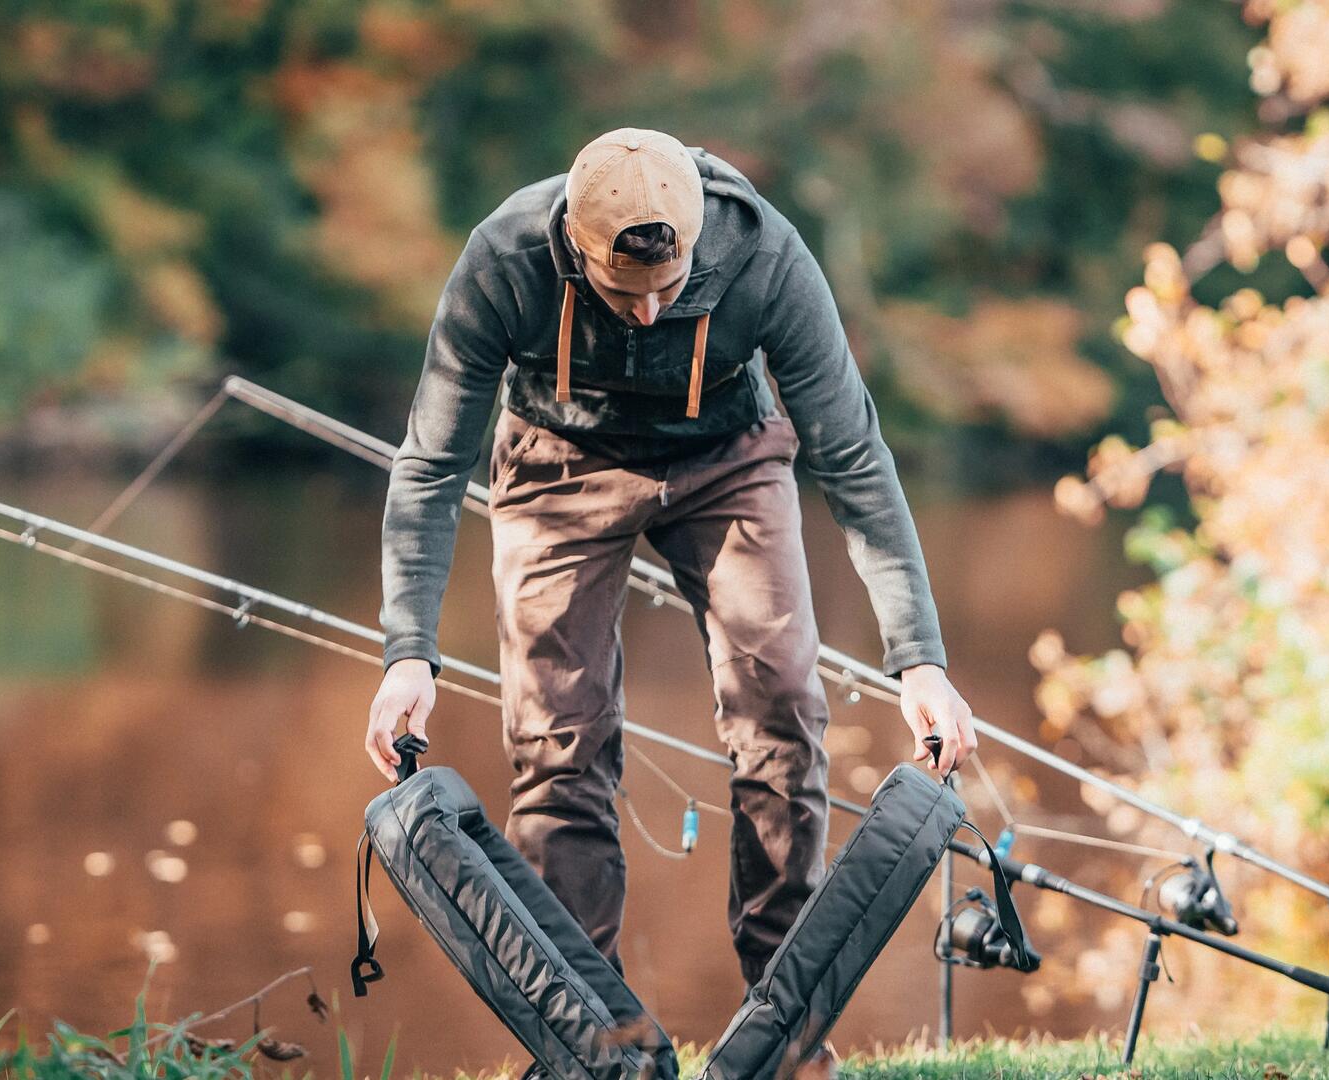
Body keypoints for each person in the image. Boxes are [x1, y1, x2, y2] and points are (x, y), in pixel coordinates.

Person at [364, 128, 976, 1076]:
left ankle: (788, 1038)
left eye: (670, 287)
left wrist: (921, 660)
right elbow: (432, 461)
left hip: (725, 461)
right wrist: (409, 651)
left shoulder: (767, 255)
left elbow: (853, 455)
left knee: (782, 709)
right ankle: (584, 1041)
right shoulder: (505, 261)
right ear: (573, 242)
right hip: (555, 467)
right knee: (554, 744)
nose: (650, 312)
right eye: (624, 292)